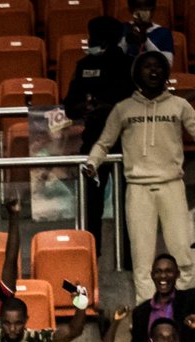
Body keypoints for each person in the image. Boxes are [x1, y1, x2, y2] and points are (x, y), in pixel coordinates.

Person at [82, 52, 195, 302]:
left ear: (166, 73)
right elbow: (104, 143)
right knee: (141, 257)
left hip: (172, 185)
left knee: (183, 250)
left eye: (158, 67)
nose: (153, 71)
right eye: (147, 67)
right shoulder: (123, 109)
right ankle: (146, 310)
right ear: (136, 73)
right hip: (138, 188)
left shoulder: (179, 105)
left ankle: (184, 304)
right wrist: (92, 163)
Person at [65, 17, 134, 254]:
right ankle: (92, 257)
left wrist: (107, 107)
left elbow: (133, 103)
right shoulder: (84, 66)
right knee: (91, 204)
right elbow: (70, 107)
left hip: (125, 143)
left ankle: (128, 257)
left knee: (129, 204)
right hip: (93, 142)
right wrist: (86, 108)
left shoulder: (129, 66)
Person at [125, 245, 195, 342]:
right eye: (158, 271)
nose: (163, 276)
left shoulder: (188, 300)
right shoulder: (140, 312)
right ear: (152, 275)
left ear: (177, 274)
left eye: (168, 271)